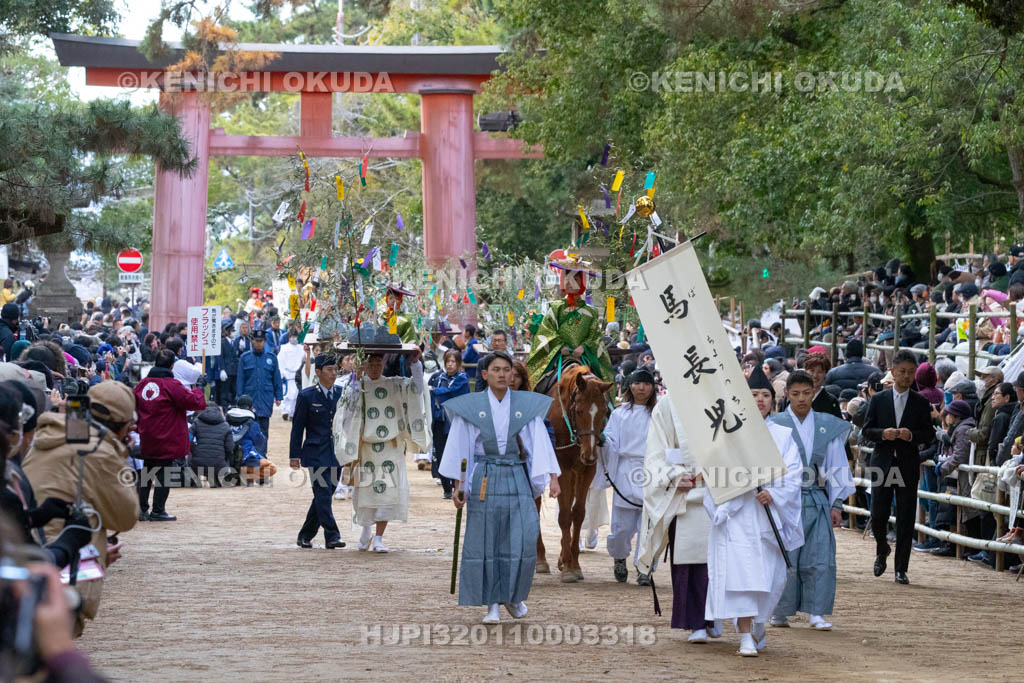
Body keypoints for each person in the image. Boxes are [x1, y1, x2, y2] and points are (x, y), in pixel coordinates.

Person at [439, 350, 561, 623]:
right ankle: (492, 602)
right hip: (485, 475)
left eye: (507, 369)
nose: (503, 374)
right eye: (496, 369)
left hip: (516, 473)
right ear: (484, 374)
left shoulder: (525, 406)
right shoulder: (471, 407)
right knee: (488, 540)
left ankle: (513, 594)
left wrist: (552, 477)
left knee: (523, 536)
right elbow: (462, 447)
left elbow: (537, 442)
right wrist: (460, 485)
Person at [23, 381, 141, 636]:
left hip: (29, 550)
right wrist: (121, 456)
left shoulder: (53, 434)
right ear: (123, 426)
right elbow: (126, 516)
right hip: (65, 562)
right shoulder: (99, 450)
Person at [705, 365, 803, 656]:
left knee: (771, 577)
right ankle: (745, 634)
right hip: (738, 513)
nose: (759, 400)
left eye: (765, 395)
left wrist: (774, 493)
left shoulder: (783, 435)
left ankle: (759, 623)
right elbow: (716, 470)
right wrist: (737, 484)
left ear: (773, 400)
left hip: (768, 513)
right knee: (742, 575)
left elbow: (794, 472)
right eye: (753, 395)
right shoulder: (729, 432)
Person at [768, 370, 854, 629]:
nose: (802, 399)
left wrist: (836, 504)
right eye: (795, 394)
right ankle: (780, 611)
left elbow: (837, 466)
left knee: (820, 556)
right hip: (785, 499)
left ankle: (817, 612)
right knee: (785, 556)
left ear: (814, 393)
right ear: (787, 395)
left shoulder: (826, 425)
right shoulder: (775, 424)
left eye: (807, 393)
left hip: (816, 498)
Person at [637, 391, 715, 643]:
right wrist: (671, 475)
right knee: (691, 560)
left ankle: (717, 617)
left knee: (723, 560)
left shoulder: (719, 395)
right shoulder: (668, 405)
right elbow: (656, 452)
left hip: (721, 490)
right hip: (686, 493)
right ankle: (697, 622)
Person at [334, 349, 429, 551]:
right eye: (371, 364)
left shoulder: (393, 384)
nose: (375, 368)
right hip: (366, 448)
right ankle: (366, 529)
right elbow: (346, 414)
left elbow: (417, 388)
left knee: (388, 494)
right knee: (365, 492)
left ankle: (379, 538)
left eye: (379, 364)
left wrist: (415, 364)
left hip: (390, 448)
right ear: (365, 366)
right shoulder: (356, 388)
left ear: (383, 365)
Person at [862, 350, 934, 584]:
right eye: (902, 372)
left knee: (905, 515)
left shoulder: (921, 402)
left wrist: (911, 435)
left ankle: (901, 568)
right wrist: (883, 433)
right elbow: (866, 431)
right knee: (878, 513)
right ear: (892, 372)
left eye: (910, 373)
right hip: (882, 461)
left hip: (907, 463)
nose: (906, 377)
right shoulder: (878, 400)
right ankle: (882, 548)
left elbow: (929, 434)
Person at [599, 368, 656, 585]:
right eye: (637, 383)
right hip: (625, 469)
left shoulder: (659, 414)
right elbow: (612, 440)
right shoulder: (619, 413)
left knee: (649, 525)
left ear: (652, 387)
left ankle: (645, 567)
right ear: (630, 386)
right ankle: (620, 557)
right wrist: (603, 441)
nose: (641, 388)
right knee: (622, 525)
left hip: (652, 471)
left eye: (646, 384)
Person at [134, 349, 206, 521]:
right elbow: (195, 402)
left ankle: (140, 510)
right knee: (164, 473)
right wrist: (198, 388)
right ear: (172, 365)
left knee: (147, 471)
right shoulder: (171, 385)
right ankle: (158, 511)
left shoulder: (142, 384)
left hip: (147, 435)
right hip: (166, 436)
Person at [525, 256, 613, 394]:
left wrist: (584, 347)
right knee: (539, 384)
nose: (570, 283)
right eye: (566, 279)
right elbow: (548, 330)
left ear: (582, 282)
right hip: (558, 356)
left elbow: (594, 335)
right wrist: (560, 346)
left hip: (583, 356)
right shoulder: (555, 307)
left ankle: (608, 410)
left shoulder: (591, 312)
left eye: (575, 279)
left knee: (602, 386)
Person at [290, 354, 344, 549]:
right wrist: (294, 455)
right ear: (318, 372)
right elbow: (298, 427)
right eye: (329, 370)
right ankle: (332, 535)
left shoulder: (341, 393)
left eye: (336, 370)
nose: (334, 374)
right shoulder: (306, 395)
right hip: (315, 452)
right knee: (322, 494)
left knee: (325, 495)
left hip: (337, 452)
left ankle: (305, 534)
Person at [428, 349, 469, 499]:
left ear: (459, 364)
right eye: (448, 362)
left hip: (454, 422)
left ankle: (455, 484)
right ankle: (446, 487)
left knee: (455, 452)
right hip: (439, 420)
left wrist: (434, 390)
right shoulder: (439, 378)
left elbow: (450, 392)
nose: (450, 365)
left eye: (453, 362)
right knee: (440, 452)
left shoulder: (462, 379)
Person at [236, 329, 282, 455]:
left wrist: (279, 396)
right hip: (249, 399)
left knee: (263, 430)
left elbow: (276, 378)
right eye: (256, 341)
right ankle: (249, 454)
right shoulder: (245, 358)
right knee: (247, 428)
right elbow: (240, 379)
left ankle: (262, 456)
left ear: (265, 342)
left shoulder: (271, 358)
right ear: (252, 341)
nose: (258, 344)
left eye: (261, 341)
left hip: (265, 398)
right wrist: (239, 398)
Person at [188, 403, 234, 487]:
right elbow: (230, 448)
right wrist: (223, 458)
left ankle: (193, 481)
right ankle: (216, 479)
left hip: (197, 463)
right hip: (219, 464)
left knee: (190, 460)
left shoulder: (196, 423)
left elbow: (188, 439)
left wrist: (194, 450)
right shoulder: (225, 426)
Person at [278, 327, 305, 420]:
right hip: (288, 373)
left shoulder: (301, 348)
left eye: (295, 336)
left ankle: (292, 413)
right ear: (289, 337)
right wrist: (283, 372)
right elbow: (280, 361)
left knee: (296, 394)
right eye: (292, 336)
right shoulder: (284, 348)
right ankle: (285, 411)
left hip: (297, 374)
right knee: (287, 394)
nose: (294, 338)